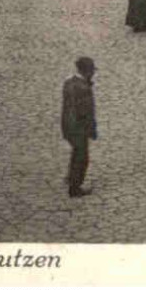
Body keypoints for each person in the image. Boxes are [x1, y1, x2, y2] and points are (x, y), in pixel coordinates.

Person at [61, 56, 98, 198]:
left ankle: (70, 177)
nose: (93, 74)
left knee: (76, 152)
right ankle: (75, 187)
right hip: (78, 127)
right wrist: (92, 130)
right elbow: (86, 112)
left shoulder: (69, 82)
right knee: (82, 157)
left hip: (67, 125)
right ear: (87, 71)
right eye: (92, 71)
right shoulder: (83, 88)